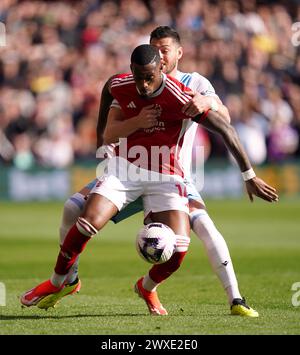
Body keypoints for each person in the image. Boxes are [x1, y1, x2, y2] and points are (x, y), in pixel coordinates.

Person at [20, 44, 278, 317]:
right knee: (85, 221)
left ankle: (147, 286)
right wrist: (120, 130)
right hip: (125, 171)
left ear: (162, 69)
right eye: (139, 76)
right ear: (132, 70)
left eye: (150, 77)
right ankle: (58, 282)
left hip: (166, 177)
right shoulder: (121, 84)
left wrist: (248, 175)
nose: (144, 84)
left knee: (179, 249)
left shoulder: (179, 96)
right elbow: (108, 101)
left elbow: (225, 127)